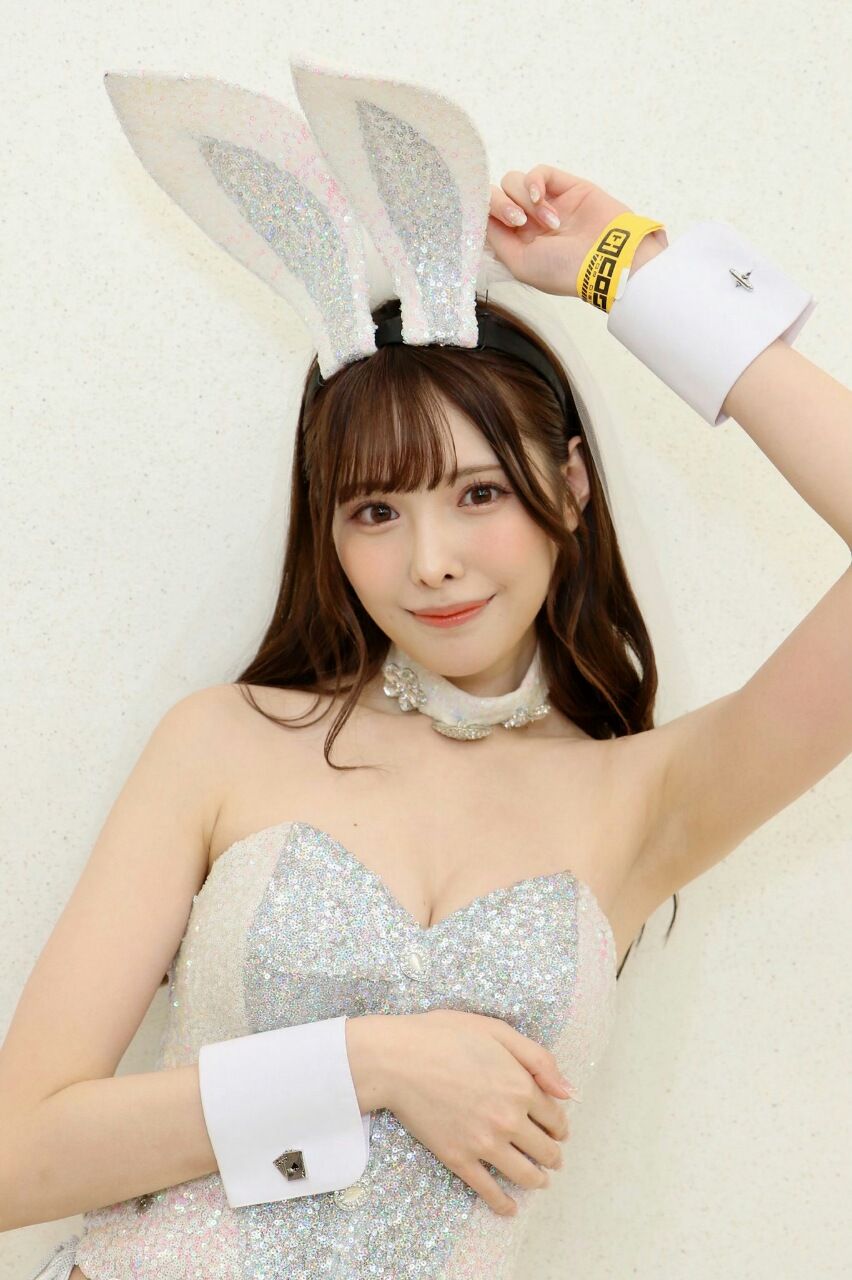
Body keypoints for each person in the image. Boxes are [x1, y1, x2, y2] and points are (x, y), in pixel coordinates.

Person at [6, 59, 849, 1280]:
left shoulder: (645, 798)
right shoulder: (226, 741)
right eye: (375, 510)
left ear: (570, 484)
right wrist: (369, 1062)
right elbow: (17, 1154)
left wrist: (627, 268)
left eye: (480, 492)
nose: (432, 560)